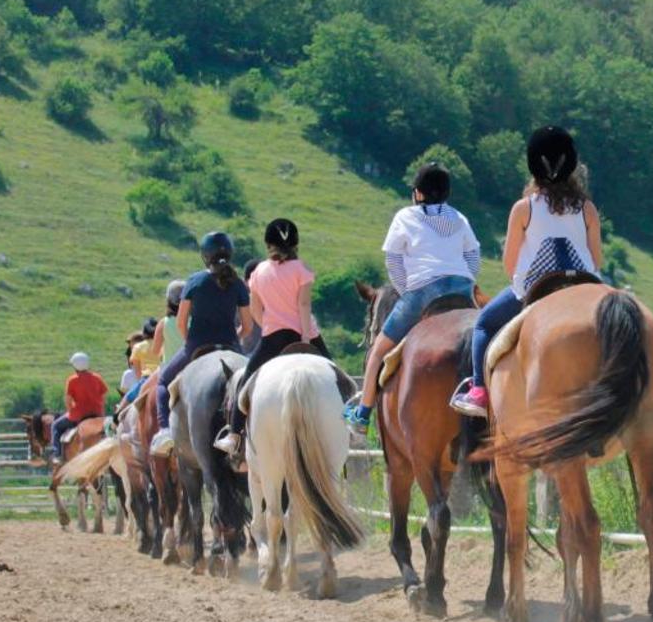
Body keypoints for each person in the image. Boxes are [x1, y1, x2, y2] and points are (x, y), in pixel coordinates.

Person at [452, 128, 601, 418]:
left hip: (536, 289)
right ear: (572, 167)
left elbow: (510, 265)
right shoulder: (588, 209)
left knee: (483, 323)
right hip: (584, 288)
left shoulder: (524, 208)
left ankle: (480, 392)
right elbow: (596, 260)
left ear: (534, 167)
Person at [345, 164, 482, 435]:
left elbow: (393, 260)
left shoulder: (405, 216)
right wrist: (465, 281)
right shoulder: (459, 217)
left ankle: (362, 413)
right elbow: (473, 257)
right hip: (462, 287)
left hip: (423, 290)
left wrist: (407, 289)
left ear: (418, 194)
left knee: (377, 352)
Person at [216, 219, 331, 452]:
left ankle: (235, 435)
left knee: (245, 381)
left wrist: (269, 324)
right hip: (303, 334)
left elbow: (256, 310)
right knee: (334, 376)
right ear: (295, 243)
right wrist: (306, 339)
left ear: (268, 244)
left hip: (272, 338)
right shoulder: (302, 270)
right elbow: (304, 305)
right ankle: (347, 418)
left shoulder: (258, 272)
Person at [151, 233, 253, 456]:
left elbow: (180, 322)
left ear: (205, 256)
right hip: (230, 346)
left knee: (162, 383)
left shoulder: (195, 281)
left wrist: (191, 341)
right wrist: (233, 337)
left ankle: (165, 431)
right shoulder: (237, 284)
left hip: (197, 344)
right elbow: (247, 326)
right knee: (252, 383)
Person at [49, 352, 107, 466]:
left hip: (78, 415)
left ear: (75, 366)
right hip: (97, 414)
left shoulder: (72, 379)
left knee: (55, 426)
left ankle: (57, 454)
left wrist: (70, 411)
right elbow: (103, 396)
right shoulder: (97, 377)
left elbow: (68, 399)